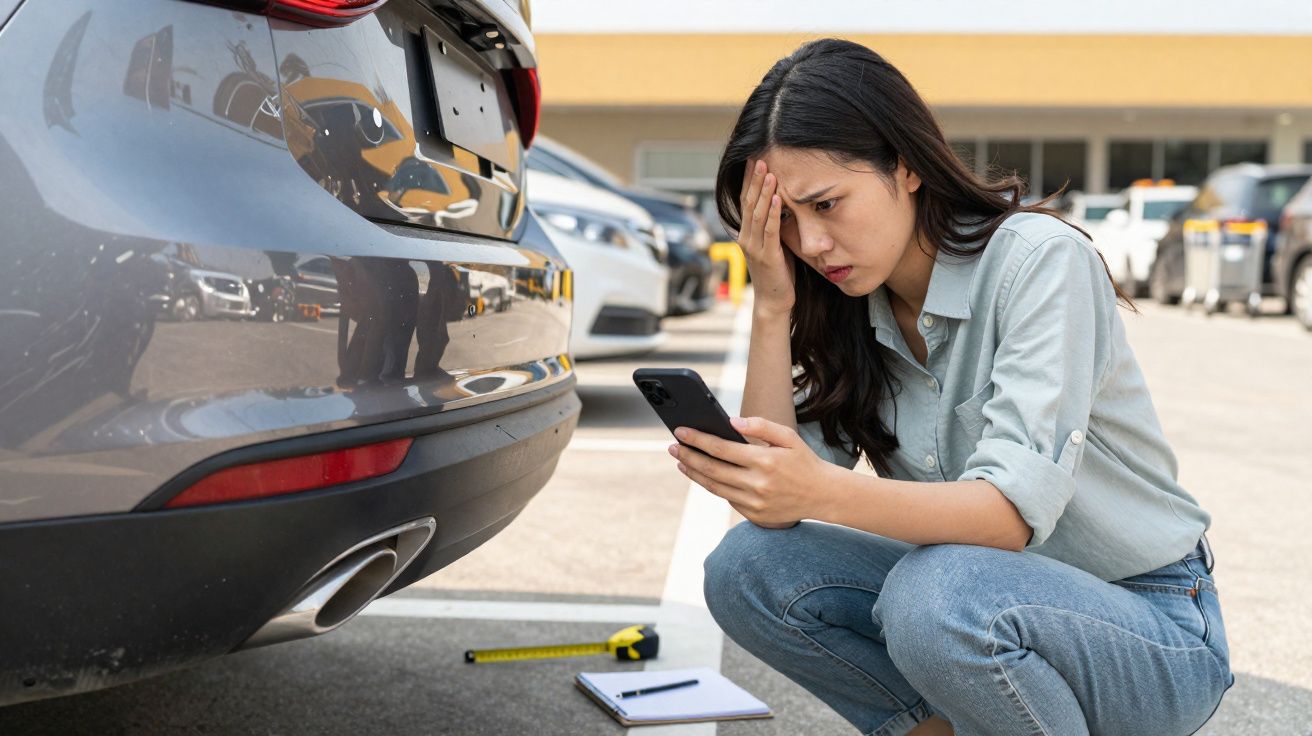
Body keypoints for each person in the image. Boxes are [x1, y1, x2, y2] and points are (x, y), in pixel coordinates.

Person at [665, 39, 1234, 736]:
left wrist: (815, 488)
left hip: (1150, 629)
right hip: (982, 606)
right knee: (747, 571)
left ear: (904, 166)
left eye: (826, 204)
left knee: (935, 593)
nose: (810, 242)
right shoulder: (848, 304)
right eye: (786, 219)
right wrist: (772, 307)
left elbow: (1008, 517)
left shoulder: (1039, 263)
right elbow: (774, 511)